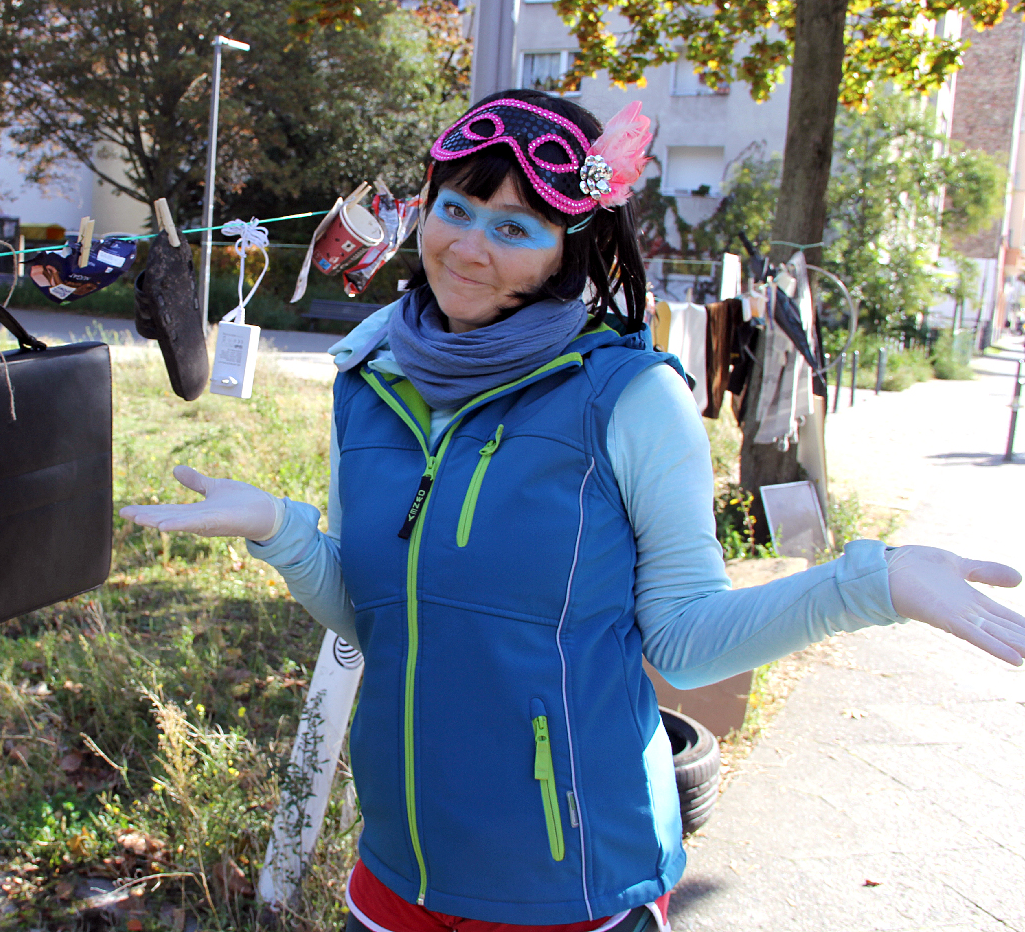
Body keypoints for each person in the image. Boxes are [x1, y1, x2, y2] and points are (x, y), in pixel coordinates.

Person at [119, 90, 1025, 932]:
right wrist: (279, 531)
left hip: (572, 884)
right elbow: (371, 616)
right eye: (456, 209)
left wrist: (874, 584)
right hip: (393, 878)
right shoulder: (370, 379)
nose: (469, 246)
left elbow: (684, 640)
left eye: (515, 225)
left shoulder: (628, 399)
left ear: (569, 248)